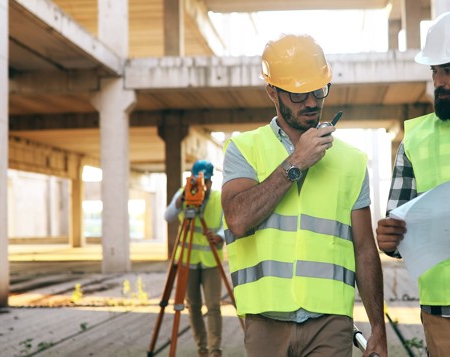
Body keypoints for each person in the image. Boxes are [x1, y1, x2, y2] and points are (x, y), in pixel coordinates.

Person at [221, 33, 387, 357]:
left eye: (318, 90)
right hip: (265, 321)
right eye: (298, 95)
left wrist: (378, 327)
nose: (311, 102)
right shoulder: (243, 149)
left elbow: (365, 249)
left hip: (331, 324)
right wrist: (297, 161)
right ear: (272, 91)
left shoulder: (352, 161)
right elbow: (237, 220)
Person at [376, 12, 450, 357]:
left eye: (449, 70)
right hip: (441, 312)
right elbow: (397, 231)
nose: (441, 82)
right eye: (436, 71)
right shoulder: (416, 139)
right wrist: (390, 238)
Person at [164, 159, 225, 357]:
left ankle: (215, 351)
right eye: (199, 181)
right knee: (193, 306)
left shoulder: (218, 198)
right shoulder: (184, 192)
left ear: (211, 182)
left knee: (214, 306)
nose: (202, 186)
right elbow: (168, 216)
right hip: (187, 260)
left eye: (205, 181)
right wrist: (180, 200)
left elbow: (228, 224)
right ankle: (202, 349)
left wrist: (220, 237)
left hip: (210, 260)